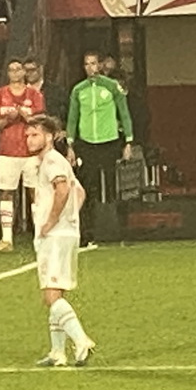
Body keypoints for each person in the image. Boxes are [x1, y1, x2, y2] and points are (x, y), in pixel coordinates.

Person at [26, 115, 95, 368]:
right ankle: (57, 352)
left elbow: (64, 190)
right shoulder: (55, 161)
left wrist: (53, 221)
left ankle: (81, 341)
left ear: (49, 136)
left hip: (55, 237)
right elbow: (80, 192)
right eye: (28, 135)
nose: (29, 139)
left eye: (35, 134)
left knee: (51, 296)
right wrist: (70, 218)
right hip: (64, 234)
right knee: (55, 294)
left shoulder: (53, 161)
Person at [66, 52, 134, 245]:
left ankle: (119, 232)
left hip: (109, 141)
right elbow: (72, 118)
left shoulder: (112, 86)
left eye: (94, 63)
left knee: (113, 186)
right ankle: (87, 232)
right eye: (87, 64)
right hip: (87, 143)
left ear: (100, 65)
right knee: (87, 187)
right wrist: (70, 144)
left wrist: (128, 142)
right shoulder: (78, 90)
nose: (91, 68)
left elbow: (125, 113)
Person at [0, 59, 45, 252]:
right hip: (7, 151)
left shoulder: (34, 95)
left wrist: (27, 118)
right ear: (7, 73)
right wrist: (9, 118)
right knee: (6, 192)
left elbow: (41, 121)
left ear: (24, 72)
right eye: (11, 69)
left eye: (18, 69)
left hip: (30, 151)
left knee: (35, 193)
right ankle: (6, 238)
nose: (15, 73)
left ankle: (40, 236)